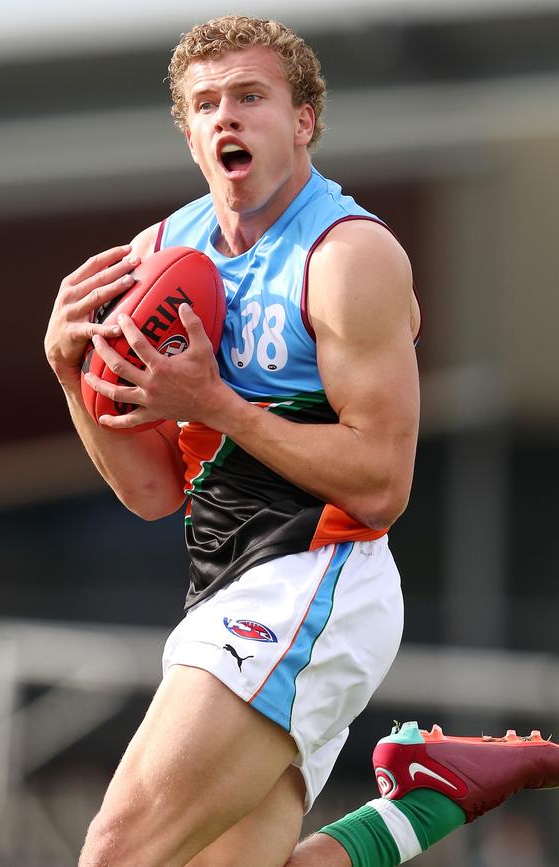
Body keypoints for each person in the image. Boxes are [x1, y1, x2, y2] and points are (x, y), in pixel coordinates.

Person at [44, 15, 559, 867]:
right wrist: (72, 376)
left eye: (251, 97)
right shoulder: (158, 256)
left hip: (318, 579)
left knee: (118, 853)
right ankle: (430, 798)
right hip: (222, 587)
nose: (227, 118)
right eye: (206, 103)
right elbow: (152, 494)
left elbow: (383, 484)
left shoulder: (348, 255)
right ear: (187, 130)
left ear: (304, 120)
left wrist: (217, 400)